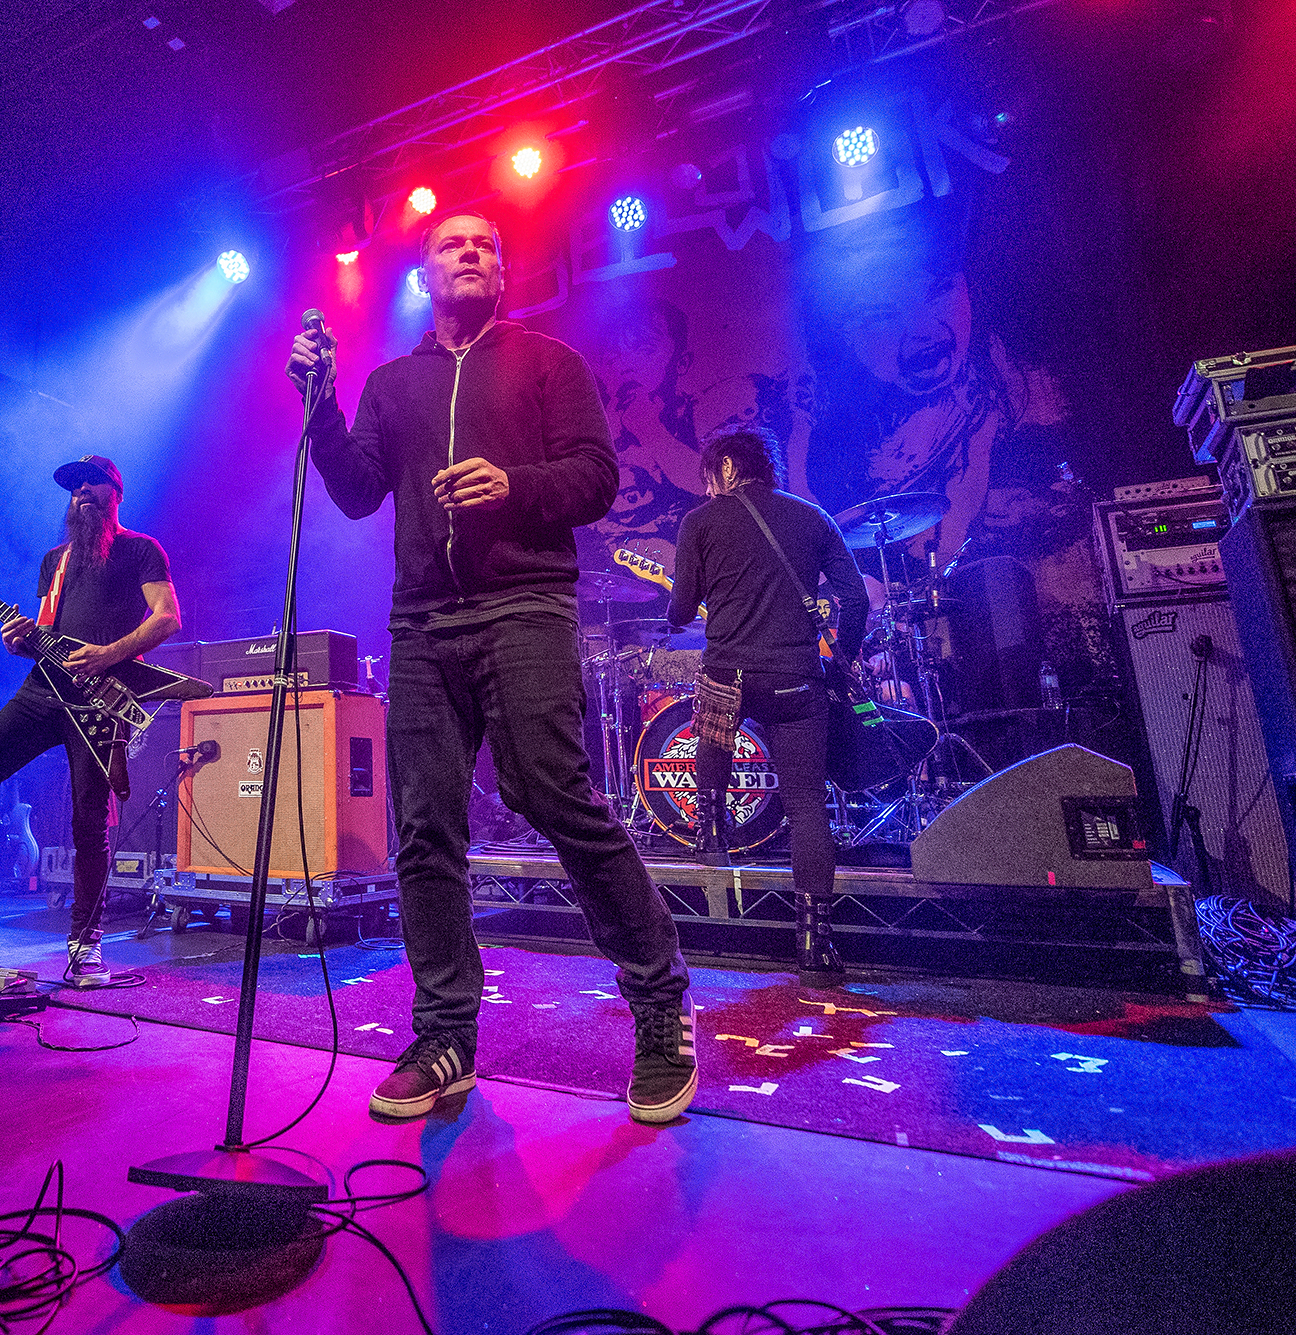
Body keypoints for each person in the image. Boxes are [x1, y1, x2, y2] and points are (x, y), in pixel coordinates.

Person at [287, 212, 697, 1124]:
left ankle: (660, 997)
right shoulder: (392, 383)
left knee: (554, 794)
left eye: (486, 245)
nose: (471, 251)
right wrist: (321, 404)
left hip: (526, 604)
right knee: (424, 827)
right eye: (451, 244)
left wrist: (513, 484)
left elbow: (596, 478)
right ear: (425, 274)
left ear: (504, 274)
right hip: (422, 619)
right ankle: (444, 1036)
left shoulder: (549, 362)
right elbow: (355, 492)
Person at [0, 455, 182, 984]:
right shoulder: (54, 561)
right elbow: (44, 632)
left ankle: (86, 945)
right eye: (74, 487)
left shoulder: (140, 550)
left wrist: (110, 654)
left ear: (114, 492)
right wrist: (19, 640)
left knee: (88, 822)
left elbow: (168, 617)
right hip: (42, 691)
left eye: (92, 484)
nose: (81, 493)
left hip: (99, 700)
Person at [667, 428, 869, 982]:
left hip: (729, 673)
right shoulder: (812, 517)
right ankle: (814, 944)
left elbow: (681, 611)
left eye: (710, 477)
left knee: (712, 720)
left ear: (728, 467)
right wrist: (843, 659)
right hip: (795, 678)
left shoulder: (701, 522)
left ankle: (712, 836)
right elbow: (855, 598)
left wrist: (688, 602)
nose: (708, 489)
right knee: (806, 806)